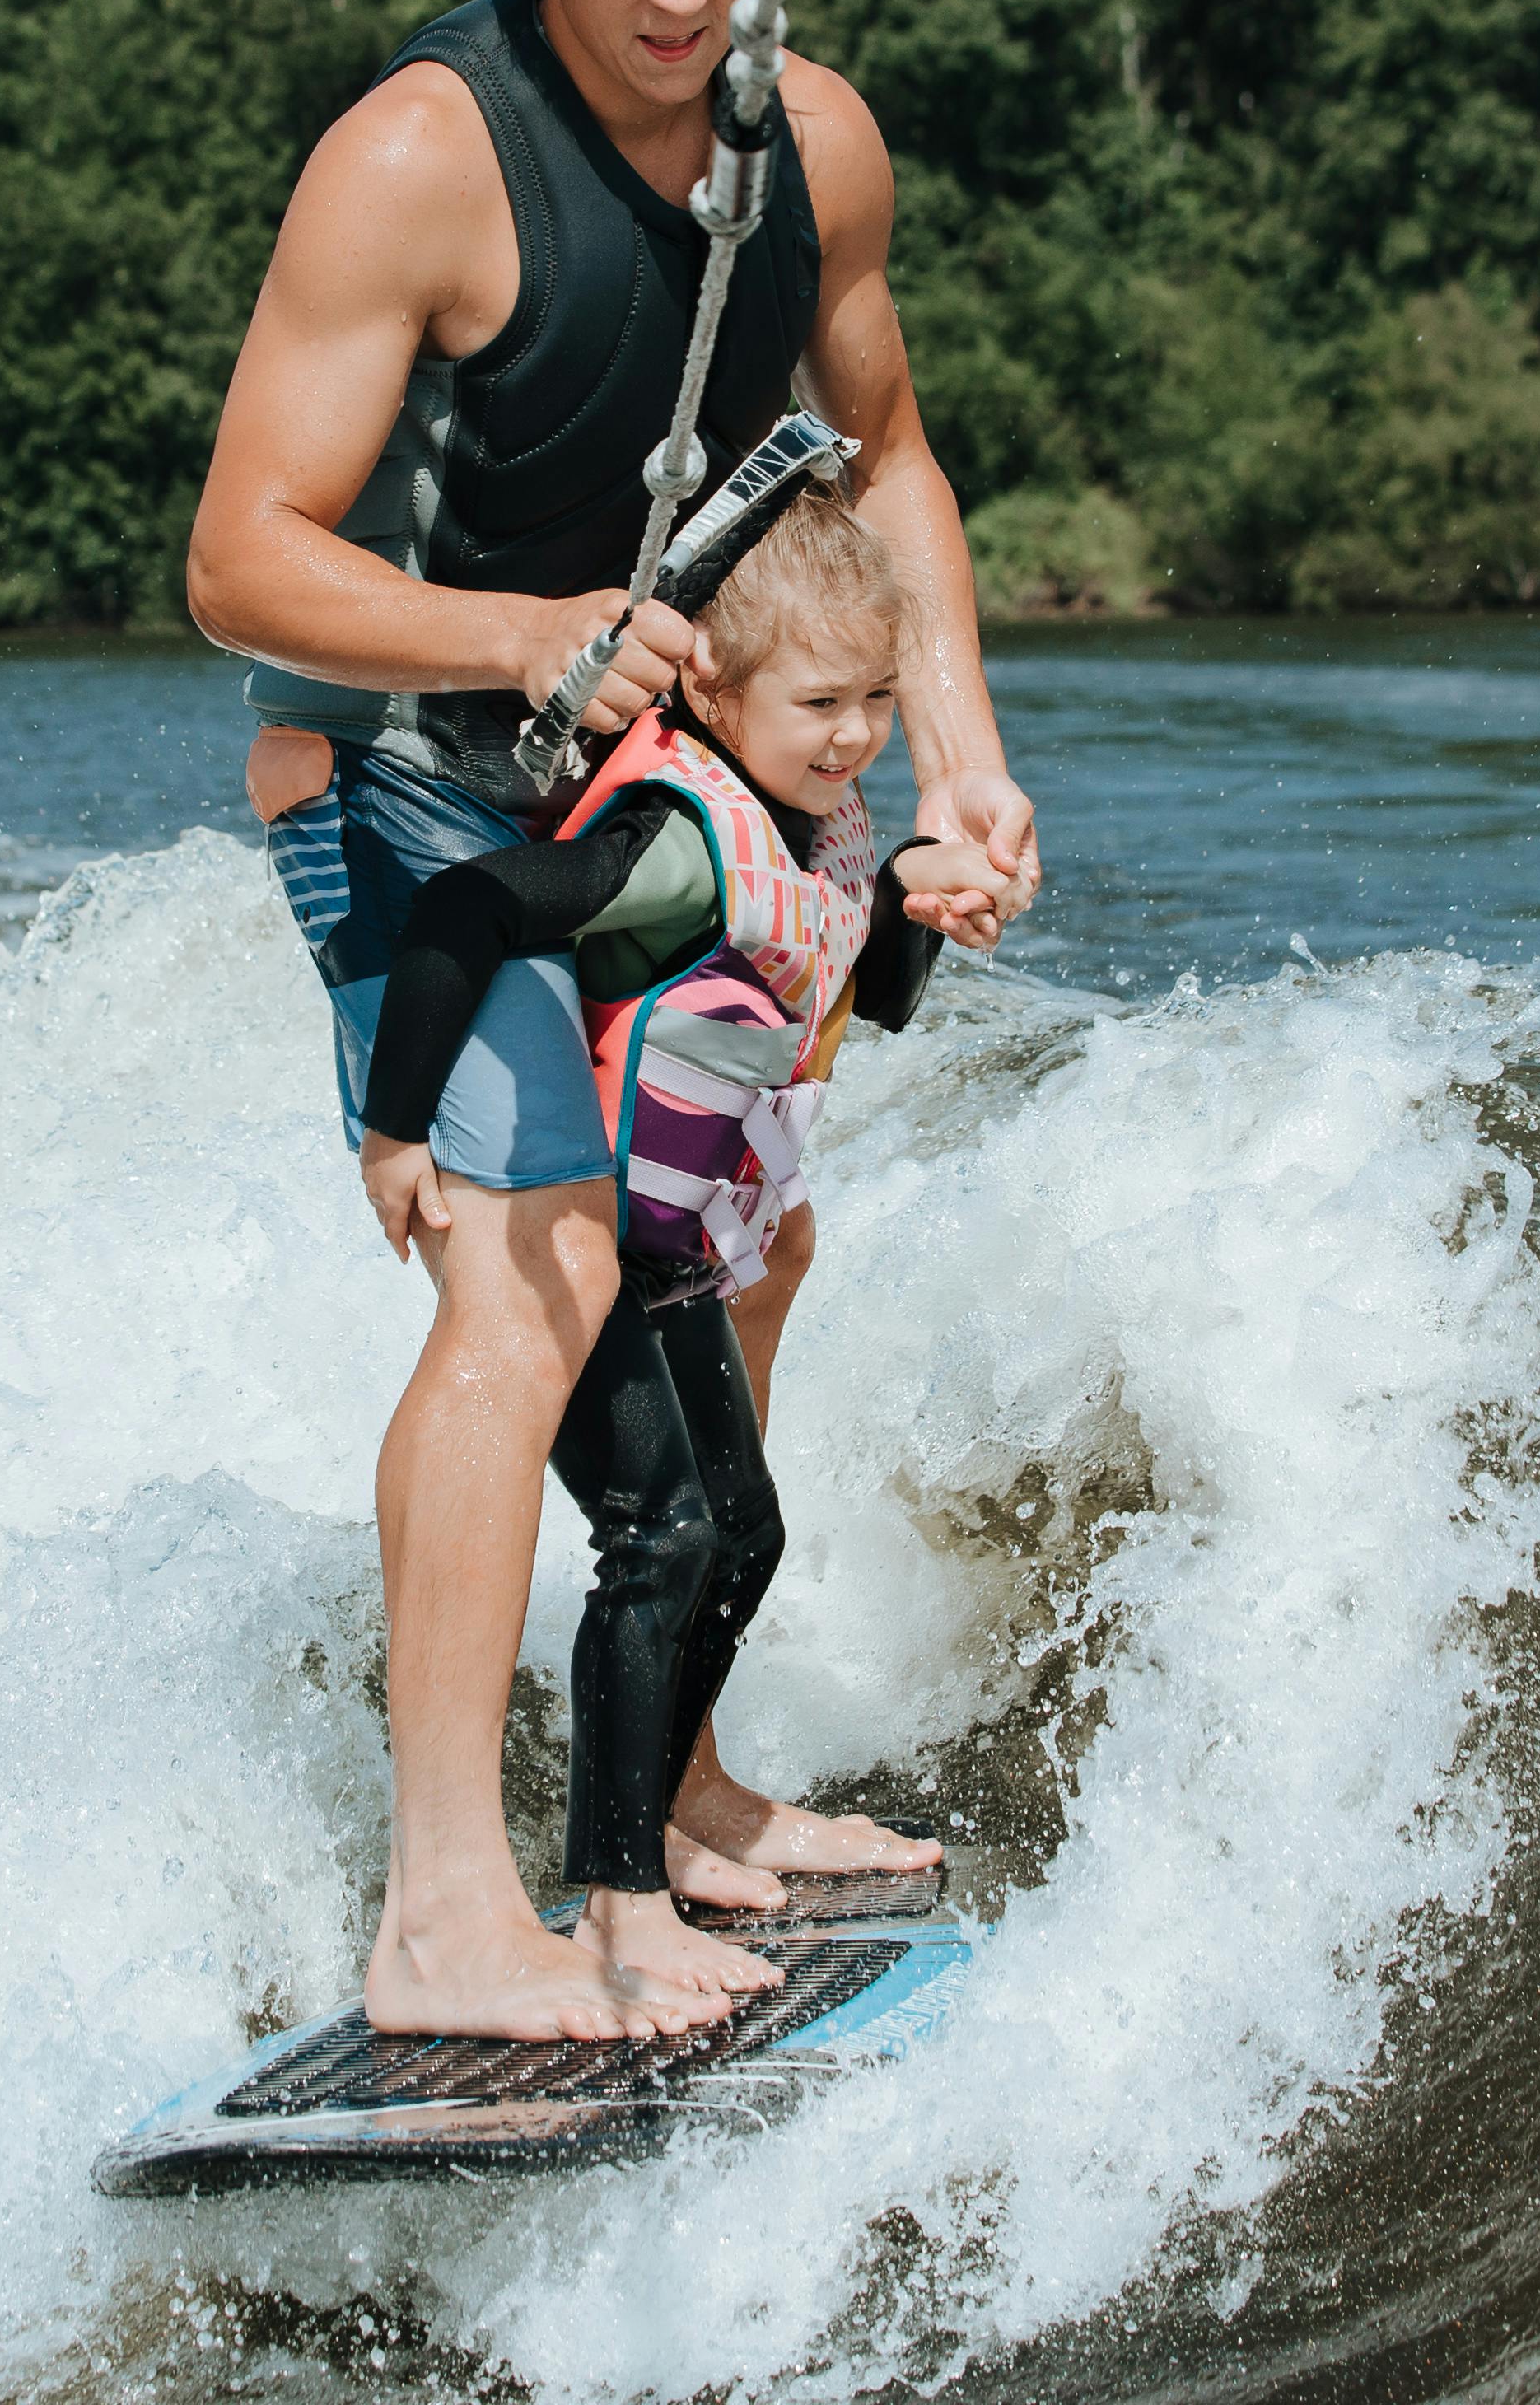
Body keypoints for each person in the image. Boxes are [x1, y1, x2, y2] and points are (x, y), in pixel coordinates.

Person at [185, 0, 1043, 2043]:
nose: (682, 0)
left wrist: (958, 758)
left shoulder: (819, 148)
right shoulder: (417, 160)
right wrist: (521, 623)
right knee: (532, 1279)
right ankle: (447, 1894)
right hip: (405, 792)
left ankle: (670, 1786)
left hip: (657, 796)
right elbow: (240, 557)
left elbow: (886, 465)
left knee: (738, 1230)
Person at [351, 492, 1014, 2006]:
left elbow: (867, 984)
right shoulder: (675, 838)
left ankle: (663, 1820)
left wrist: (923, 901)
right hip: (593, 1253)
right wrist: (399, 1134)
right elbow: (462, 910)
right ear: (710, 687)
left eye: (874, 703)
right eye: (818, 703)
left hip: (680, 1255)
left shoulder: (815, 821)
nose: (855, 738)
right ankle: (617, 1901)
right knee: (664, 1539)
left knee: (742, 1532)